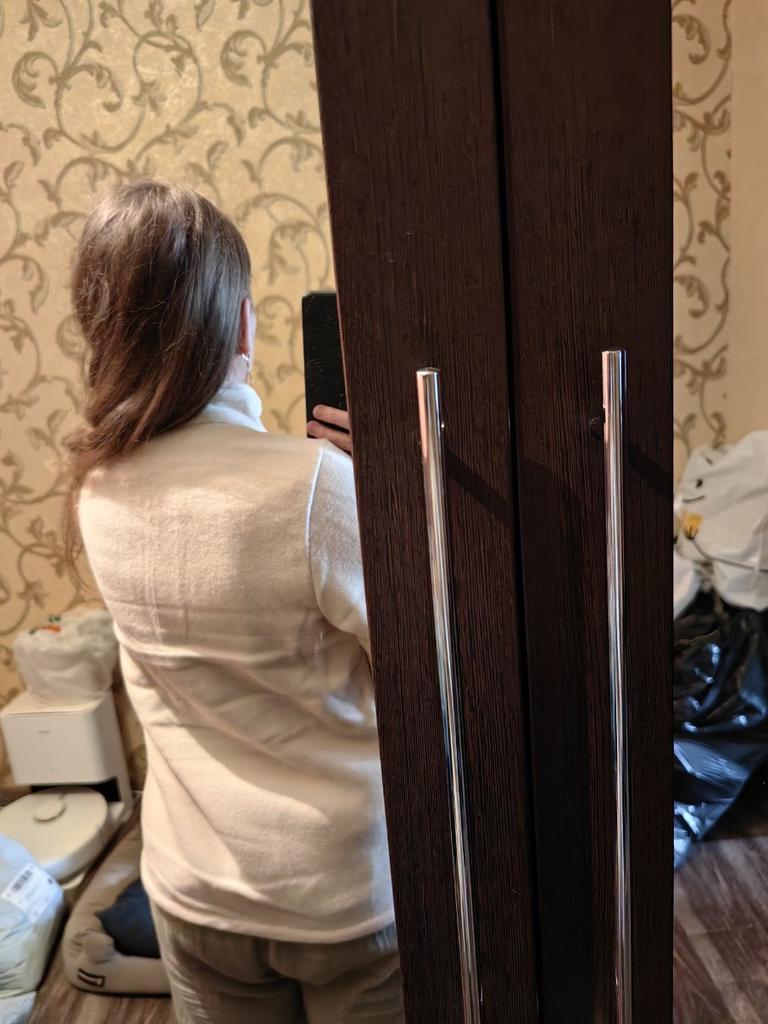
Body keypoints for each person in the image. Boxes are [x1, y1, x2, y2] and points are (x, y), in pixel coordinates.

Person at [67, 180, 402, 1023]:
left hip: (193, 890)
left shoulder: (96, 490)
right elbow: (432, 669)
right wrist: (393, 501)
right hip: (338, 895)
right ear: (243, 326)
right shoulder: (317, 488)